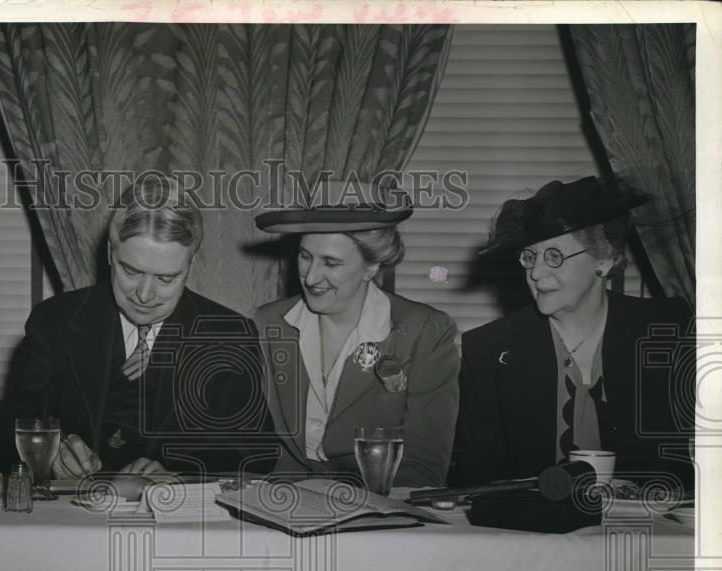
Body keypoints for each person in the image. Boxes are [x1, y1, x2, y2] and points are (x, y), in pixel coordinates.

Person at [0, 174, 274, 478]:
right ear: (110, 255)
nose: (144, 294)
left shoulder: (229, 334)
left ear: (190, 266)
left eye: (166, 278)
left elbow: (256, 454)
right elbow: (7, 434)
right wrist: (50, 452)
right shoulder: (53, 321)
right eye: (131, 271)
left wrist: (179, 475)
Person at [457, 176, 694, 489]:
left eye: (554, 256)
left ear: (605, 259)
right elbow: (478, 480)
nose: (536, 273)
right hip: (533, 532)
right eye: (530, 256)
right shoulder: (488, 349)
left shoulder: (666, 328)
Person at [253, 180, 460, 488]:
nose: (310, 277)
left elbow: (424, 468)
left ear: (371, 267)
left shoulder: (425, 332)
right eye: (305, 256)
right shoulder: (267, 322)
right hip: (282, 503)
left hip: (375, 510)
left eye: (331, 263)